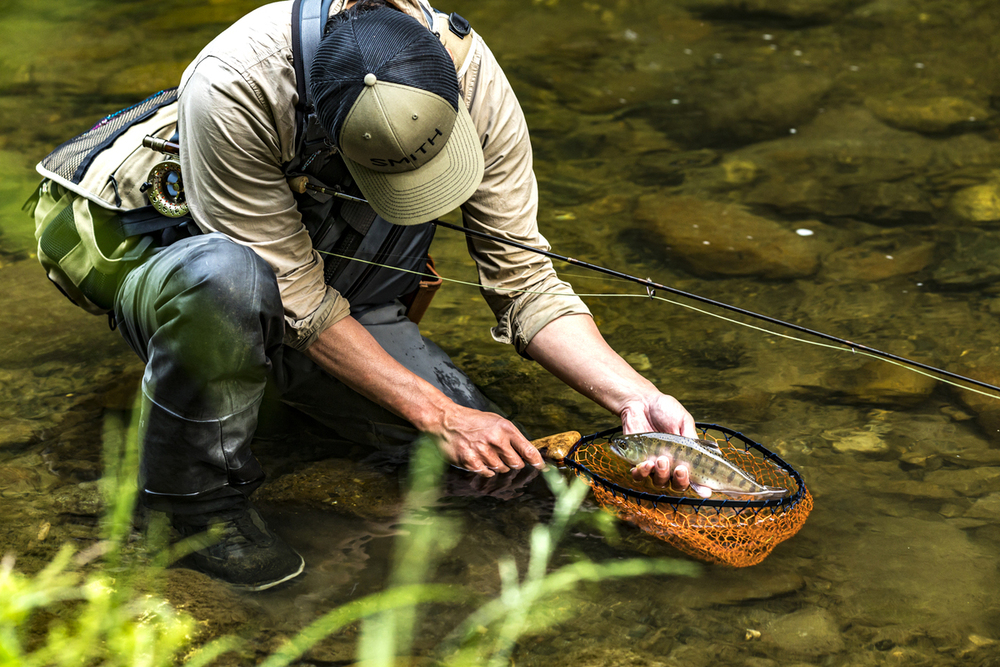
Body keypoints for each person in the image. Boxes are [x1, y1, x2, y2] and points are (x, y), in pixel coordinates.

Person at [111, 0, 696, 591]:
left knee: (495, 470)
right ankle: (189, 515)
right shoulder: (235, 86)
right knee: (226, 277)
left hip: (339, 291)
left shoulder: (469, 71)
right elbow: (301, 304)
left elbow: (524, 279)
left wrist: (635, 399)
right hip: (162, 256)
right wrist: (438, 413)